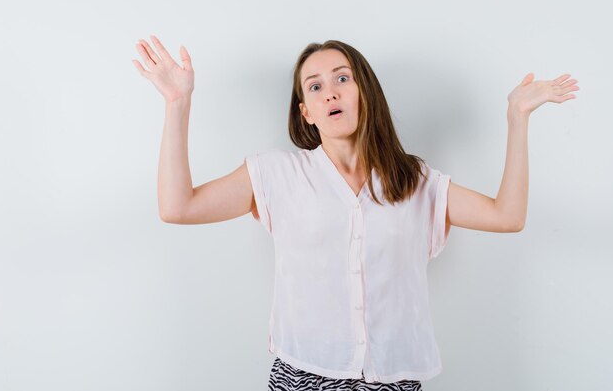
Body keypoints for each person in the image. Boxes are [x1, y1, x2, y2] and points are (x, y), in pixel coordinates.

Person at [132, 35, 579, 391]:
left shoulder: (416, 182)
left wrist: (517, 117)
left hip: (394, 380)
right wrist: (177, 104)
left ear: (364, 90)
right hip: (302, 376)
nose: (331, 92)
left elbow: (507, 216)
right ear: (306, 112)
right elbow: (178, 207)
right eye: (315, 85)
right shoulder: (275, 174)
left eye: (342, 78)